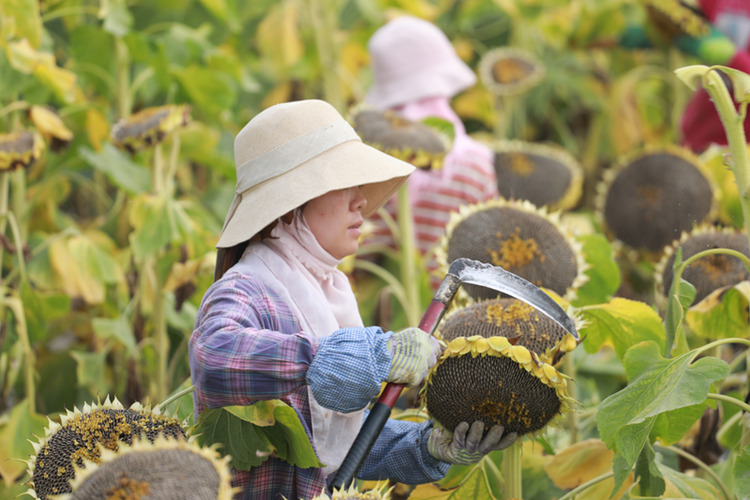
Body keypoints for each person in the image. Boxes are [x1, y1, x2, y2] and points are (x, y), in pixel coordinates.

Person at [188, 100, 517, 500]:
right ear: (291, 205)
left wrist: (426, 446)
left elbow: (337, 442)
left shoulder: (327, 292)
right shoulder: (246, 289)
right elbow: (214, 356)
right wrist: (355, 356)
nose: (361, 200)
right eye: (343, 184)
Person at [364, 16, 499, 269]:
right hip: (458, 303)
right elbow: (490, 244)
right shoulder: (476, 162)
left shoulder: (376, 164)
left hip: (396, 304)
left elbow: (362, 249)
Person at [676, 0, 750, 152]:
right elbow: (694, 24)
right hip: (698, 135)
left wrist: (733, 59)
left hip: (740, 152)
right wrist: (657, 35)